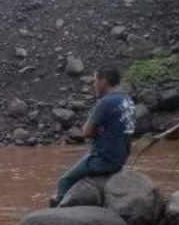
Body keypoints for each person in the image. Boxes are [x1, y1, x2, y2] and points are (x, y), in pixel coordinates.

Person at [50, 66, 135, 206]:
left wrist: (97, 130)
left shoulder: (106, 102)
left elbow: (86, 132)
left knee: (65, 181)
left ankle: (59, 216)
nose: (93, 84)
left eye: (95, 81)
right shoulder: (127, 100)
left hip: (103, 158)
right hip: (121, 156)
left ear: (103, 81)